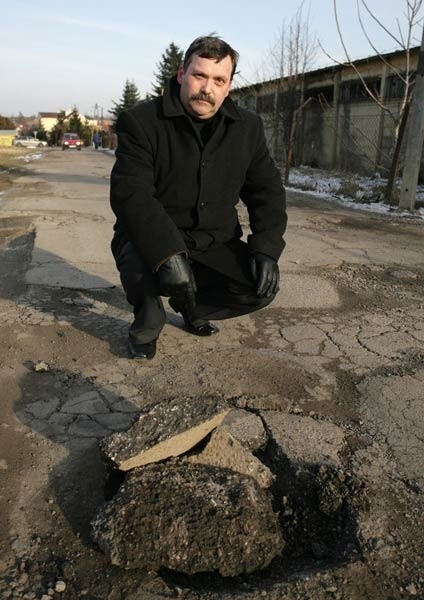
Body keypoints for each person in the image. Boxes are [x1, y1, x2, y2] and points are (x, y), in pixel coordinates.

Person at [110, 35, 287, 360]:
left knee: (259, 288)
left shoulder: (247, 128)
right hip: (151, 238)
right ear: (182, 74)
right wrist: (167, 255)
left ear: (229, 86)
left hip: (214, 241)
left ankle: (189, 305)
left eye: (219, 80)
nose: (207, 88)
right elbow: (131, 195)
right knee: (138, 262)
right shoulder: (142, 122)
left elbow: (267, 191)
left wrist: (266, 249)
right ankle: (148, 322)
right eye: (199, 75)